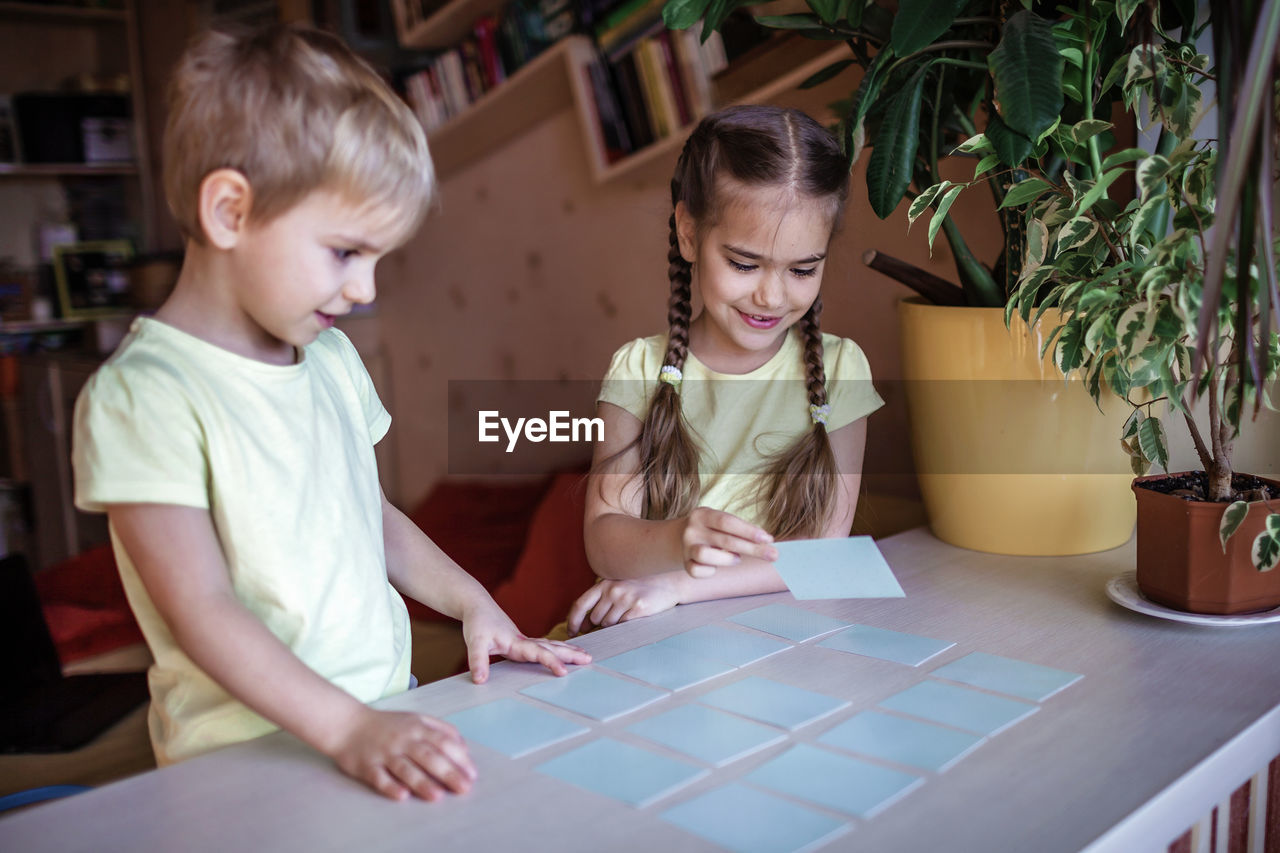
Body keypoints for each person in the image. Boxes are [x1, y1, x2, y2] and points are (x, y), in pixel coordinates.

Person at [71, 23, 588, 803]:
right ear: (229, 211)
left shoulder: (333, 360)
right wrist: (346, 727)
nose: (366, 291)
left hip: (382, 711)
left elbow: (372, 520)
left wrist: (476, 604)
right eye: (347, 252)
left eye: (381, 259)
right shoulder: (145, 397)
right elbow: (202, 609)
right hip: (244, 766)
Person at [567, 104, 883, 636]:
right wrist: (674, 541)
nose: (772, 295)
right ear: (688, 233)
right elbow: (604, 542)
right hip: (660, 641)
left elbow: (827, 554)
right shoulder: (637, 370)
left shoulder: (841, 370)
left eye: (803, 269)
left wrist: (680, 584)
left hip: (789, 645)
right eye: (744, 263)